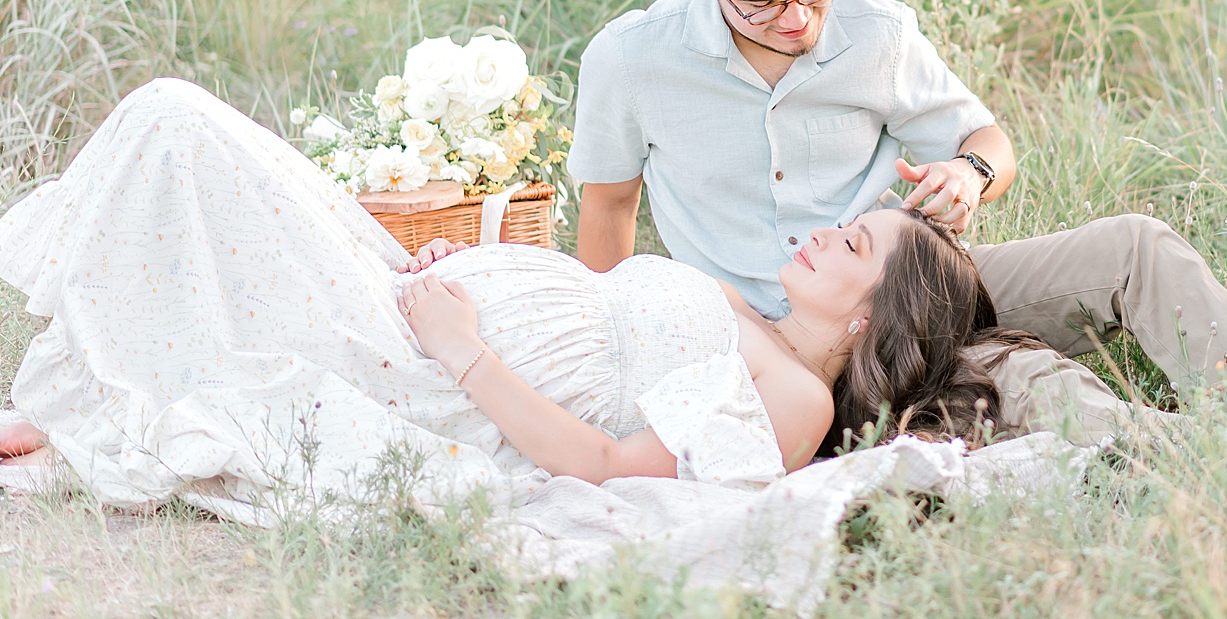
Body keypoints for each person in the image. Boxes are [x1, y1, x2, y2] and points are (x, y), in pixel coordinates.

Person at [0, 79, 1026, 518]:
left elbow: (611, 464)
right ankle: (74, 399)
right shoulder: (742, 307)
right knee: (184, 138)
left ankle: (68, 413)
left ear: (868, 315)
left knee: (180, 124)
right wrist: (474, 264)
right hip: (423, 306)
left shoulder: (795, 402)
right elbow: (593, 295)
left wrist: (465, 349)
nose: (817, 233)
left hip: (435, 374)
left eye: (848, 241)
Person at [569, 0, 1227, 442]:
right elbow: (608, 211)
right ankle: (1191, 457)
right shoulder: (630, 61)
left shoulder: (877, 33)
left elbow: (988, 141)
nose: (799, 17)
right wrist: (602, 364)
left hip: (912, 285)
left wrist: (968, 172)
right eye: (766, 5)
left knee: (1134, 247)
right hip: (785, 347)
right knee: (1013, 376)